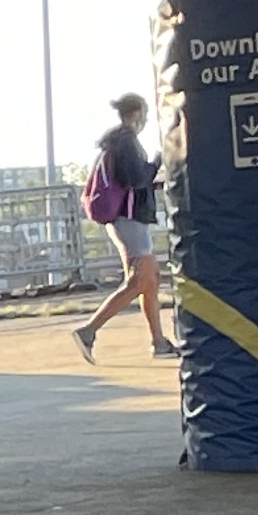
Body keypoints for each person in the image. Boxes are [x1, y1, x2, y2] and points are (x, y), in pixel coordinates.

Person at [72, 92, 176, 363]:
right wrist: (157, 161)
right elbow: (137, 178)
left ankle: (159, 342)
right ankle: (89, 331)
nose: (146, 119)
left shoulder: (116, 141)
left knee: (150, 280)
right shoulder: (126, 142)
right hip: (129, 219)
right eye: (145, 114)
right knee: (140, 281)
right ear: (136, 114)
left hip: (125, 219)